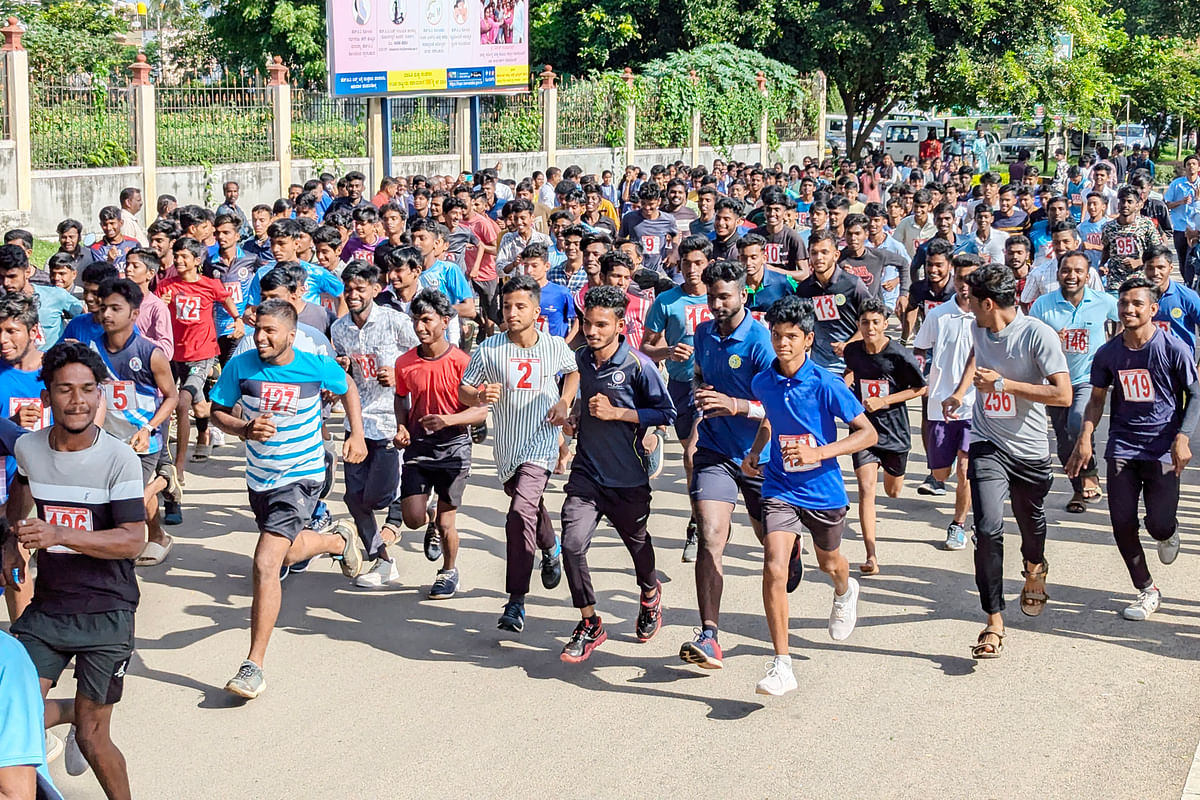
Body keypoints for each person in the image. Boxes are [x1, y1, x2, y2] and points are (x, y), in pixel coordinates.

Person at [2, 341, 146, 800]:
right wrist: (11, 540)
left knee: (92, 736)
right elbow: (20, 497)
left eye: (88, 389)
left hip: (108, 612)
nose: (78, 400)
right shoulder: (28, 447)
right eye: (65, 390)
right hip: (48, 610)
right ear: (47, 396)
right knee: (7, 713)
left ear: (100, 394)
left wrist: (59, 534)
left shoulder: (117, 458)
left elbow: (132, 539)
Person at [209, 300, 366, 699]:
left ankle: (253, 666)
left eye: (269, 332)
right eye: (257, 329)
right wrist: (245, 429)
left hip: (303, 475)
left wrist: (356, 434)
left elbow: (346, 387)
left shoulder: (314, 365)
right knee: (288, 553)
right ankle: (336, 540)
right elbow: (217, 412)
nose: (260, 337)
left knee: (265, 563)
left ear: (291, 336)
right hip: (260, 478)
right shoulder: (241, 366)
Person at [743, 295, 878, 696]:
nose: (782, 344)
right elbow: (771, 417)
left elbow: (867, 433)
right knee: (774, 566)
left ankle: (845, 589)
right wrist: (757, 448)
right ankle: (781, 664)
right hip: (780, 485)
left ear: (808, 339)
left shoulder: (826, 383)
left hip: (822, 489)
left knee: (829, 562)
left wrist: (818, 452)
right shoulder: (763, 381)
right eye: (777, 336)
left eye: (791, 337)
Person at [942, 264, 1071, 659]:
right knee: (987, 528)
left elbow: (1063, 394)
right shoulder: (977, 327)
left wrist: (1003, 384)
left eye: (969, 299)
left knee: (1031, 523)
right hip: (987, 442)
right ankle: (994, 620)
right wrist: (960, 391)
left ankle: (1034, 566)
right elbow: (975, 358)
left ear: (988, 302)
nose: (966, 306)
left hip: (1029, 450)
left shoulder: (1037, 335)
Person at [1068, 276, 1199, 622]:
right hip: (1123, 445)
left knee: (1158, 524)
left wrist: (1183, 436)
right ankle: (1146, 589)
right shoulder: (1109, 352)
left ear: (1153, 309)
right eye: (1124, 303)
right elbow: (1096, 399)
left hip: (1163, 449)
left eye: (1137, 303)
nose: (1128, 309)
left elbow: (1196, 395)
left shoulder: (1173, 348)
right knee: (1121, 522)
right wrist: (1085, 437)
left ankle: (1168, 532)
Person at [558, 285, 676, 663]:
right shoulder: (580, 359)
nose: (592, 331)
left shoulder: (638, 365)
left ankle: (649, 594)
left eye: (601, 325)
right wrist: (576, 415)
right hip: (587, 474)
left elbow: (666, 414)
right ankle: (590, 622)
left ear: (620, 325)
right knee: (572, 544)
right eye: (588, 324)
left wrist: (619, 414)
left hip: (628, 477)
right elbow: (580, 400)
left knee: (638, 545)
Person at [459, 276, 577, 631]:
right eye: (507, 306)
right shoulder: (489, 349)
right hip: (508, 445)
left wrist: (564, 401)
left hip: (541, 441)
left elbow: (572, 373)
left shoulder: (553, 346)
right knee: (529, 508)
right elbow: (464, 388)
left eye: (520, 306)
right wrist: (478, 397)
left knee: (518, 513)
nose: (511, 312)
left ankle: (516, 601)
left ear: (536, 312)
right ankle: (551, 547)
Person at [677, 260, 773, 670]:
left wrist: (735, 405)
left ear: (742, 296)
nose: (716, 303)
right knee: (710, 536)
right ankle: (710, 634)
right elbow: (700, 375)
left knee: (769, 540)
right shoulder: (702, 333)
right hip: (715, 451)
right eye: (712, 296)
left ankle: (792, 547)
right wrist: (703, 394)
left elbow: (779, 403)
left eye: (724, 297)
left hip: (761, 454)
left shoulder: (760, 341)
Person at [329, 260, 419, 589]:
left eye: (359, 289)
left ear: (375, 290)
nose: (353, 294)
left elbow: (423, 355)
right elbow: (342, 372)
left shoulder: (395, 322)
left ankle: (406, 502)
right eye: (348, 289)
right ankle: (381, 559)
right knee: (354, 498)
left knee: (379, 496)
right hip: (357, 421)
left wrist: (399, 374)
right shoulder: (339, 329)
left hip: (390, 420)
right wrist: (343, 368)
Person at [393, 290, 487, 599]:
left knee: (448, 522)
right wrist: (402, 427)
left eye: (427, 320)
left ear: (445, 322)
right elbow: (401, 397)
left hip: (454, 447)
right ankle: (429, 519)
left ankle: (449, 572)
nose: (420, 327)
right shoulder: (404, 362)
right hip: (419, 447)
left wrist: (448, 421)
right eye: (416, 320)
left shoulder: (463, 362)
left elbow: (481, 410)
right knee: (413, 518)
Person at [92, 278, 180, 567]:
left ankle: (114, 558)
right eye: (103, 307)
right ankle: (158, 535)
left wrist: (149, 427)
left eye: (115, 308)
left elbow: (171, 397)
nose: (107, 314)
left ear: (133, 313)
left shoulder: (150, 353)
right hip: (107, 439)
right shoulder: (90, 351)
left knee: (126, 500)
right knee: (123, 497)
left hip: (144, 441)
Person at [1028, 252, 1118, 512]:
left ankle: (1090, 471)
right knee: (1064, 440)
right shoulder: (1043, 305)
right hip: (1055, 380)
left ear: (1088, 275)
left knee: (1078, 421)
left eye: (1078, 271)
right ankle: (1078, 491)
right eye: (1066, 270)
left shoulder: (1103, 301)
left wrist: (1115, 347)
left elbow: (1124, 318)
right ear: (1058, 273)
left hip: (1088, 378)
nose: (1072, 276)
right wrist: (1051, 338)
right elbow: (1029, 340)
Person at [843, 297, 926, 575]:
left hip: (894, 430)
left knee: (892, 490)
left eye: (875, 322)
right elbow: (851, 372)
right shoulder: (852, 350)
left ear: (885, 323)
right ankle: (871, 555)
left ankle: (893, 480)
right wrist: (844, 393)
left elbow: (920, 389)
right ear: (859, 324)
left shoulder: (898, 354)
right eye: (864, 322)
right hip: (864, 429)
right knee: (866, 489)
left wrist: (885, 400)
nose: (870, 327)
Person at [641, 235, 711, 560]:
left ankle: (698, 528)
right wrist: (668, 351)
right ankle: (698, 516)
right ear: (679, 265)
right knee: (690, 457)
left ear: (708, 264)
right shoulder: (667, 301)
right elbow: (645, 346)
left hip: (711, 387)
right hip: (679, 387)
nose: (693, 269)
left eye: (699, 263)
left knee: (692, 455)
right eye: (687, 263)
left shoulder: (719, 298)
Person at [155, 237, 243, 474]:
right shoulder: (166, 285)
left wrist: (237, 319)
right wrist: (160, 304)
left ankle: (179, 465)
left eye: (184, 256)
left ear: (197, 260)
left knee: (183, 402)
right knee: (196, 404)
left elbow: (225, 297)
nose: (179, 260)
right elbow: (156, 311)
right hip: (173, 354)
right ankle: (215, 424)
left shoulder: (209, 284)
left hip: (202, 353)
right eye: (177, 256)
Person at [792, 228, 871, 373]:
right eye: (814, 253)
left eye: (824, 252)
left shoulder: (853, 284)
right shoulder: (804, 289)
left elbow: (872, 321)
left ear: (836, 255)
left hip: (852, 365)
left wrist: (849, 344)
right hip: (819, 366)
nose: (819, 258)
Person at [1100, 186, 1161, 292]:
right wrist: (1102, 264)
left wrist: (1140, 261)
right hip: (1115, 281)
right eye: (1122, 201)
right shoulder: (1108, 227)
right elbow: (1106, 248)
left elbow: (1158, 251)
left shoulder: (1146, 225)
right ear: (1118, 204)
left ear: (1137, 205)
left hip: (1139, 279)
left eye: (1129, 202)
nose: (1125, 205)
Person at [1144, 244, 1200, 356]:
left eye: (1161, 267)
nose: (1155, 273)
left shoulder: (1187, 296)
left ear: (1170, 268)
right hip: (1147, 362)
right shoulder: (1138, 297)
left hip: (1180, 364)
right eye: (1150, 268)